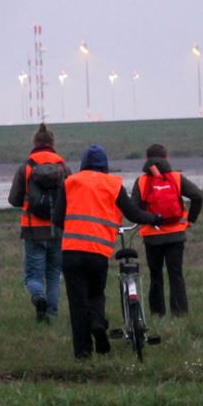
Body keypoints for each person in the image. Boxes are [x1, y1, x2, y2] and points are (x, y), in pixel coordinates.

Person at [53, 144, 161, 359]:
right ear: (105, 166)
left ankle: (83, 354)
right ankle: (97, 323)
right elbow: (134, 214)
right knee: (96, 294)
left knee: (77, 303)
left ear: (83, 164)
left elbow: (56, 219)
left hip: (71, 252)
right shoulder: (112, 184)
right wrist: (155, 218)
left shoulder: (70, 182)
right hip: (97, 252)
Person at [130, 143, 203, 317]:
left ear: (147, 159)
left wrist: (149, 219)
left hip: (151, 236)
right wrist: (190, 219)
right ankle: (180, 313)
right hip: (176, 235)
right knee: (176, 274)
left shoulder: (141, 181)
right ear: (166, 158)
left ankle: (157, 313)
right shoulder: (176, 177)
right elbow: (198, 196)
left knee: (155, 275)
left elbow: (134, 209)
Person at [7, 123, 70, 322]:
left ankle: (38, 297)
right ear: (52, 143)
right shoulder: (63, 167)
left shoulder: (26, 167)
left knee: (33, 276)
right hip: (58, 230)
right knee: (54, 274)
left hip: (33, 232)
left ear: (35, 143)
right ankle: (51, 313)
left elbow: (14, 199)